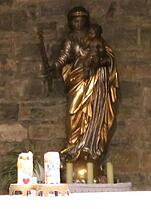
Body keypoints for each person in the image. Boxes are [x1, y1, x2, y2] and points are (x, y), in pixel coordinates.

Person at [51, 6, 119, 173]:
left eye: (81, 19)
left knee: (94, 113)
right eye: (74, 19)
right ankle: (73, 147)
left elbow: (107, 57)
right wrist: (55, 65)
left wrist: (101, 62)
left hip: (95, 84)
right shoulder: (70, 39)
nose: (78, 22)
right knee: (73, 112)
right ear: (70, 22)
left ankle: (88, 147)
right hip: (77, 80)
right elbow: (64, 56)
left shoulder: (96, 39)